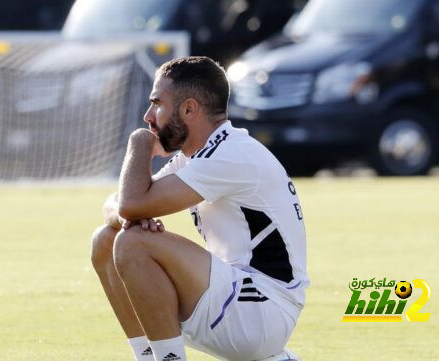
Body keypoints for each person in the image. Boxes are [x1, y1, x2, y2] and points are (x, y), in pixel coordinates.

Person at [90, 56, 308, 361]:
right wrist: (130, 215)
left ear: (189, 109)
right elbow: (121, 205)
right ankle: (149, 356)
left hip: (262, 309)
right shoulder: (201, 155)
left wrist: (139, 143)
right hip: (239, 303)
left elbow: (130, 204)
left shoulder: (230, 154)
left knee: (133, 242)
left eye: (156, 104)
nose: (148, 116)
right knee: (106, 240)